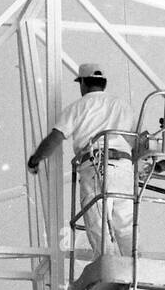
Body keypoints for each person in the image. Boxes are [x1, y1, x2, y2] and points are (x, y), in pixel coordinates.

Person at [27, 64, 136, 258]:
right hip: (124, 167)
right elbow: (136, 141)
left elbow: (56, 138)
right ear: (104, 83)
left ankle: (109, 270)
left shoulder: (78, 107)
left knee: (98, 223)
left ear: (83, 83)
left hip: (96, 165)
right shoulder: (123, 106)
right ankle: (134, 270)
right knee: (126, 225)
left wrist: (35, 159)